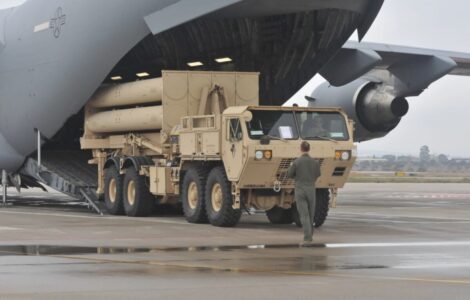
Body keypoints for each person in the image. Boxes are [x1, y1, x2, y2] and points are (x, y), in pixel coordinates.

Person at [287, 141, 321, 246]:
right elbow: (318, 174)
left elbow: (289, 174)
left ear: (301, 149)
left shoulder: (297, 162)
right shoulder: (315, 162)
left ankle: (307, 238)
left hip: (300, 189)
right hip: (311, 189)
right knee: (311, 214)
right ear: (309, 149)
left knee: (304, 215)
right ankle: (310, 236)